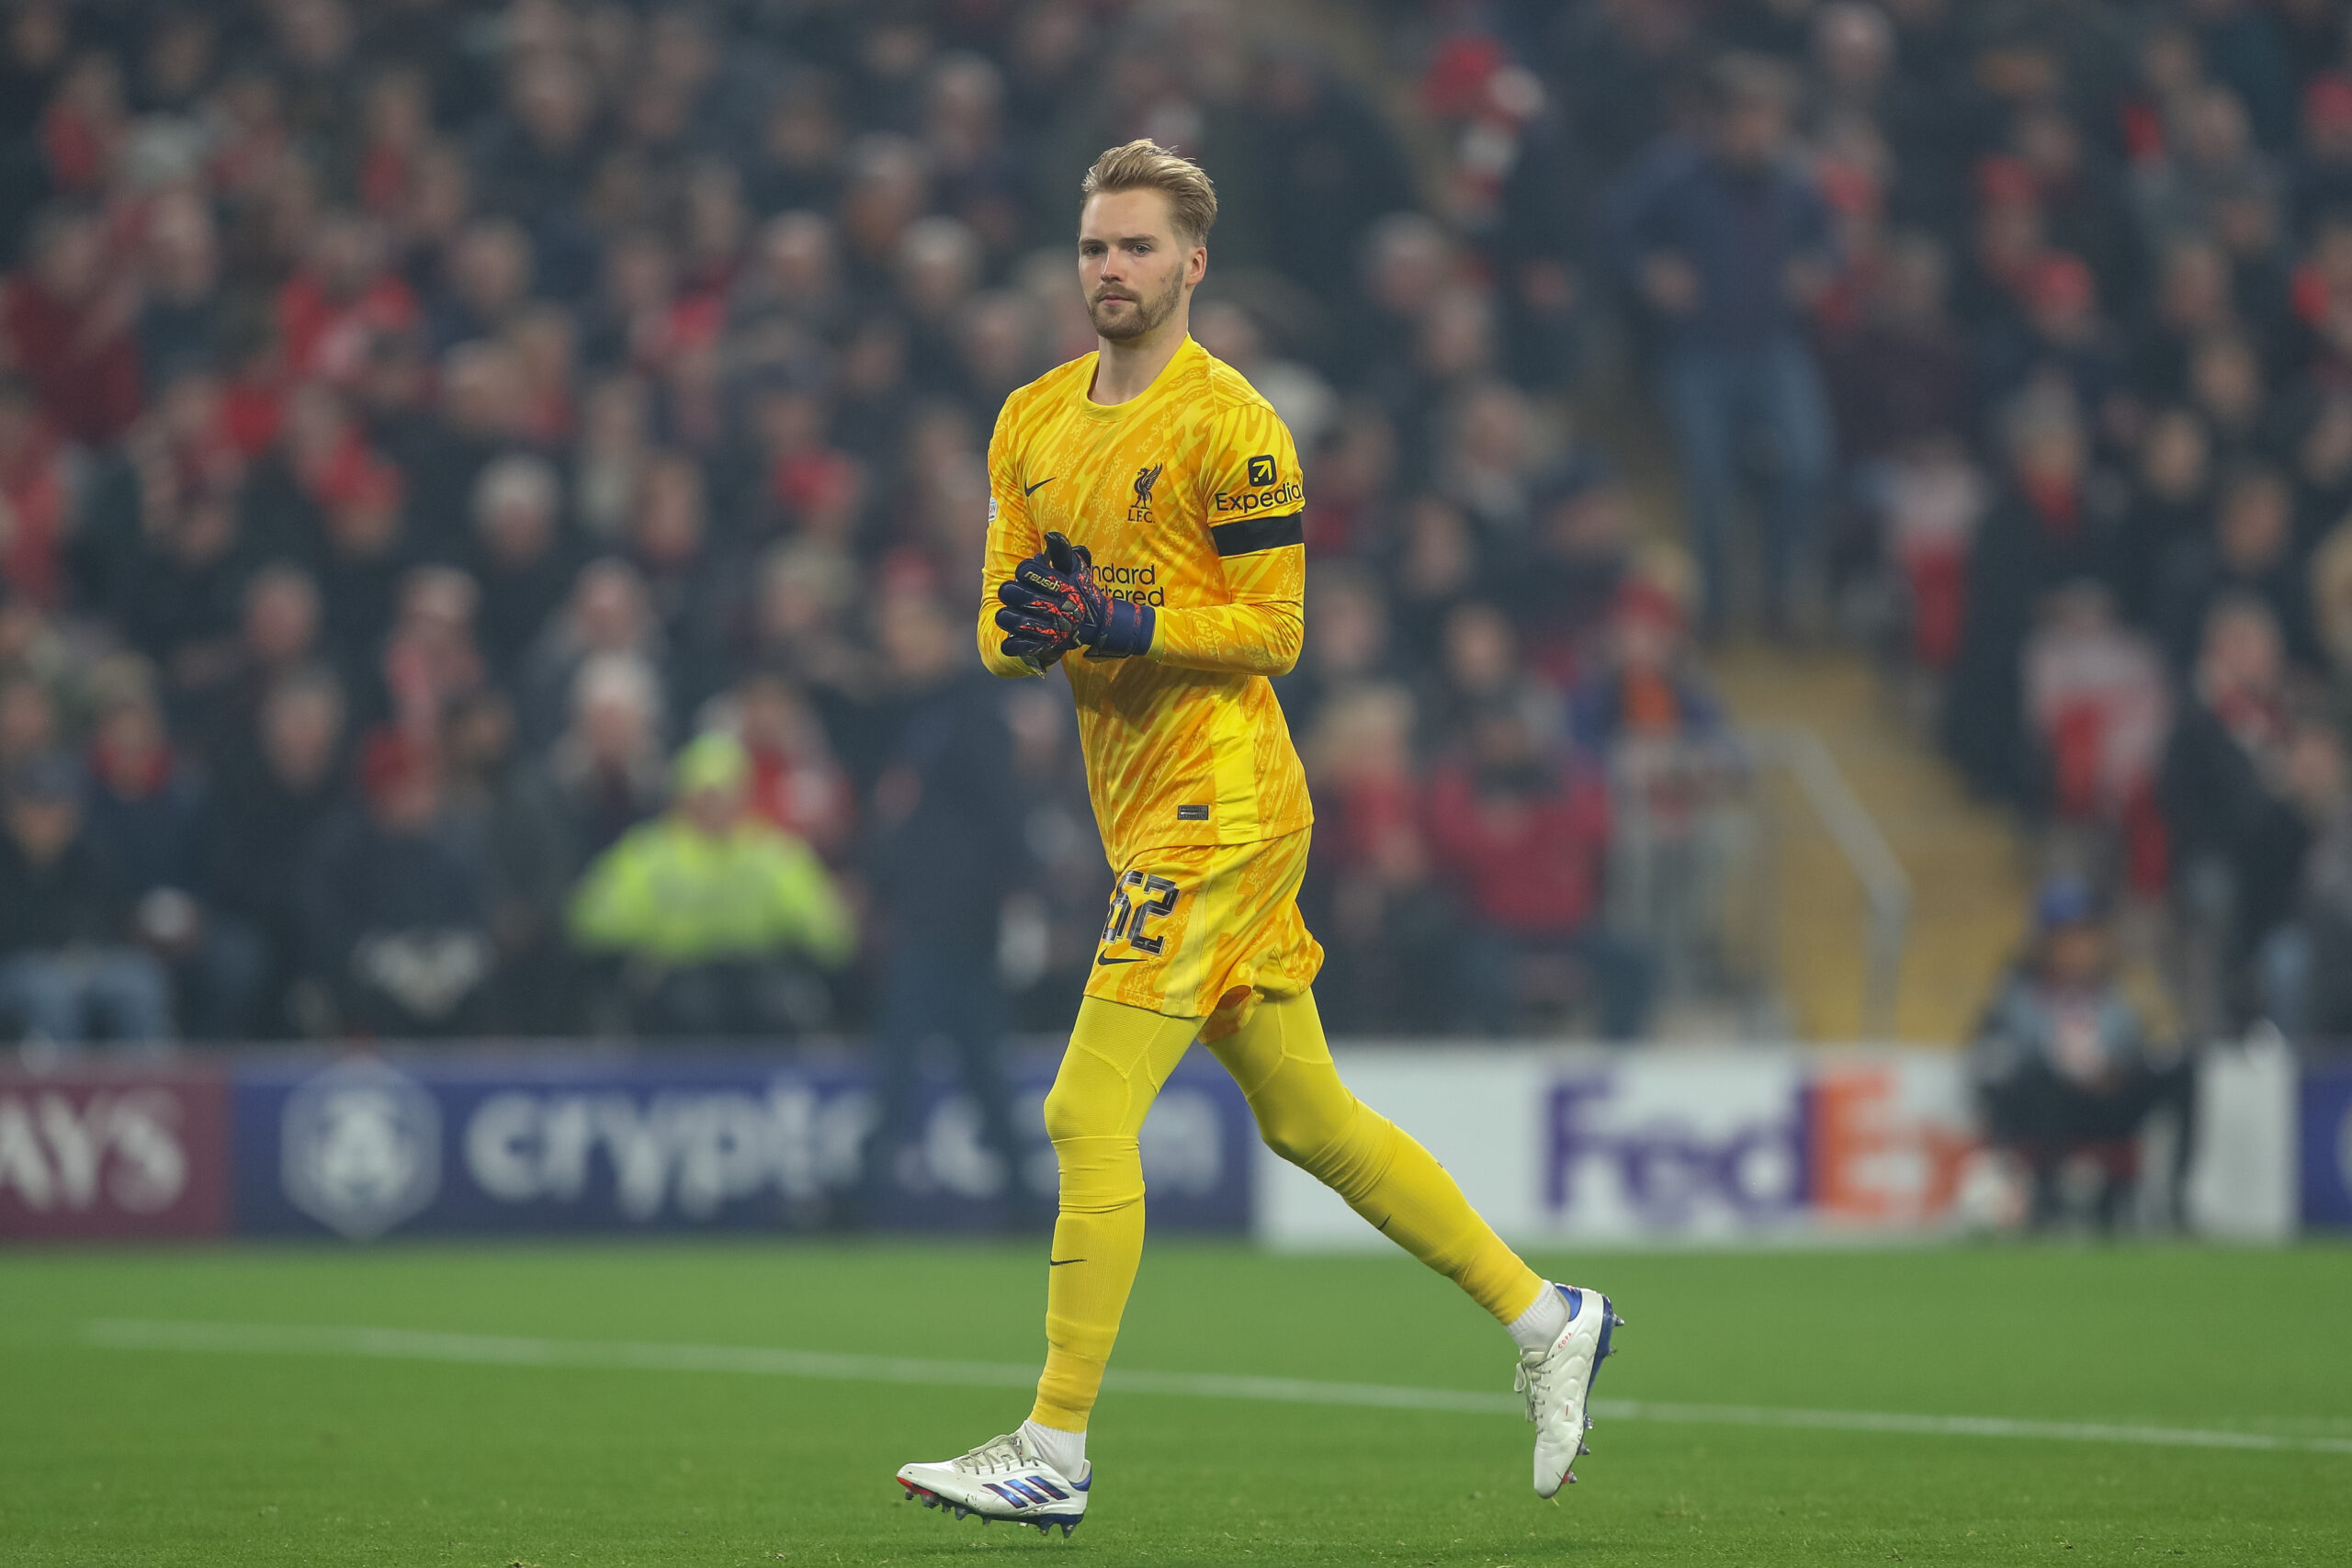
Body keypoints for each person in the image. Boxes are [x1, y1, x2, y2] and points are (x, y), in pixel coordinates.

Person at [891, 141, 1622, 1538]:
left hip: (1222, 801)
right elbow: (993, 630)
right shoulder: (1030, 421)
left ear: (1193, 264)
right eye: (1096, 246)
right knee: (1308, 1117)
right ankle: (1548, 1313)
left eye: (1139, 248)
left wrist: (1123, 620)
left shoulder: (1238, 426)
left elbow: (1275, 632)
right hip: (1143, 803)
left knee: (1082, 1107)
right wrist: (1035, 624)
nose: (1113, 269)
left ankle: (1054, 1439)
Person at [567, 731, 853, 1037]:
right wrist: (652, 933)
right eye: (705, 797)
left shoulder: (771, 854)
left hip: (757, 977)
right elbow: (588, 923)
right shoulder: (649, 855)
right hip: (675, 977)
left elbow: (832, 933)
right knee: (687, 1005)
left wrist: (799, 930)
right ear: (683, 798)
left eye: (725, 796)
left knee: (774, 1003)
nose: (715, 808)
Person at [1971, 878, 2193, 1231]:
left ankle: (2176, 1198)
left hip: (2110, 1100)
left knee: (2182, 1066)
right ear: (2045, 944)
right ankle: (2047, 1198)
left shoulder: (2121, 990)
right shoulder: (2017, 995)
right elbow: (1995, 1059)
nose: (2081, 949)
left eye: (2088, 937)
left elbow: (2147, 1040)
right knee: (2040, 1085)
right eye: (2069, 938)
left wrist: (2123, 1067)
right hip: (2052, 1104)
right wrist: (2058, 1069)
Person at [0, 751, 174, 1046]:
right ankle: (60, 1089)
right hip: (18, 971)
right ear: (13, 813)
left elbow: (114, 920)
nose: (49, 818)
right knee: (48, 991)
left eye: (57, 806)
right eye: (38, 805)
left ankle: (142, 1086)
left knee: (139, 981)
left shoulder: (91, 859)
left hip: (87, 963)